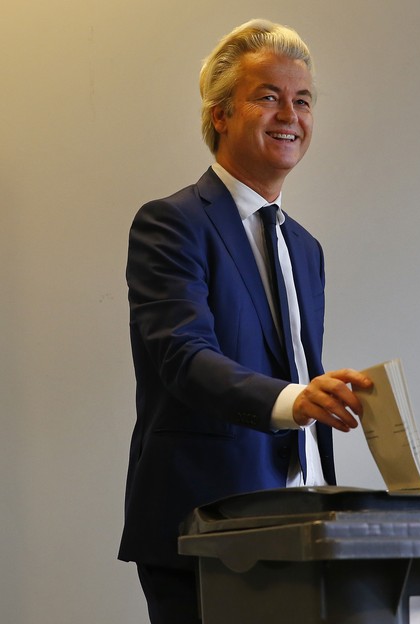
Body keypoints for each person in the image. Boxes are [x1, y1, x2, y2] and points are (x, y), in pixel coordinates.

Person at [118, 19, 372, 623]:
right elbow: (184, 357)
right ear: (220, 115)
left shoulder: (305, 248)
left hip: (303, 526)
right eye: (268, 96)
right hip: (206, 529)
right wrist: (295, 401)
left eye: (302, 100)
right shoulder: (171, 223)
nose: (290, 114)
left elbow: (292, 366)